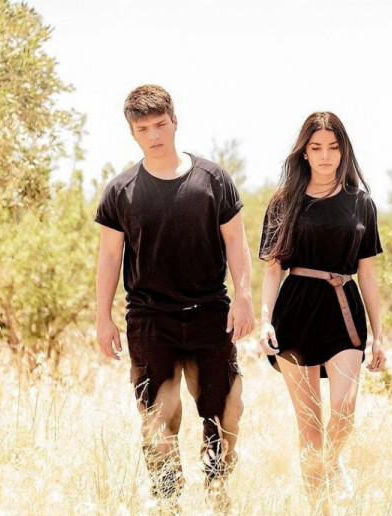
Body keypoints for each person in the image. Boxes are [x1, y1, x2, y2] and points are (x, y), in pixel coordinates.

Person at [95, 85, 253, 512]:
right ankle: (169, 504)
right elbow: (109, 256)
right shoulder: (120, 190)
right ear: (132, 133)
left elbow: (236, 242)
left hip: (210, 314)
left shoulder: (213, 179)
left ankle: (218, 494)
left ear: (175, 121)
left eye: (160, 125)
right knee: (158, 418)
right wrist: (103, 318)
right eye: (143, 129)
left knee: (224, 412)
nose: (154, 135)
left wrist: (244, 297)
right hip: (149, 320)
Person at [258, 112, 386, 509]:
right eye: (316, 148)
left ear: (344, 151)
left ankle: (332, 465)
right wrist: (265, 322)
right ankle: (319, 506)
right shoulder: (283, 203)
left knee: (345, 410)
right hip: (295, 311)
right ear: (304, 152)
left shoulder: (361, 203)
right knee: (310, 425)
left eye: (333, 147)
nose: (326, 155)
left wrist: (380, 336)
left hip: (344, 310)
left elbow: (368, 274)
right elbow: (273, 270)